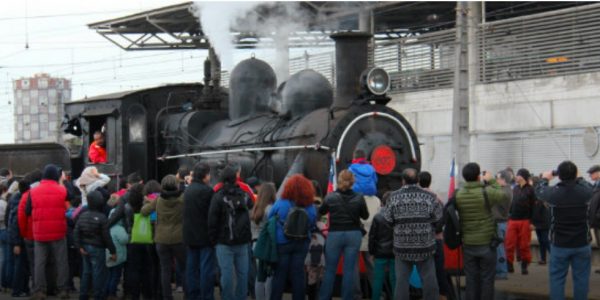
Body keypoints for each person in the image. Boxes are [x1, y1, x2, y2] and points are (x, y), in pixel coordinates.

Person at [536, 161, 593, 300]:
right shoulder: (586, 192)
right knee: (581, 279)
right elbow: (589, 186)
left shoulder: (553, 193)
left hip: (559, 244)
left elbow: (538, 190)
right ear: (575, 175)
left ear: (559, 176)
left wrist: (545, 178)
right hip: (582, 243)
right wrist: (579, 177)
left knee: (557, 279)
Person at [382, 169, 441, 300]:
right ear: (418, 180)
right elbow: (438, 219)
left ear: (403, 181)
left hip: (402, 247)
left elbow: (387, 220)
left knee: (401, 282)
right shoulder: (430, 197)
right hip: (425, 246)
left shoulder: (393, 198)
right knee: (429, 279)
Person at [454, 163, 509, 300]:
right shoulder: (486, 192)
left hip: (468, 243)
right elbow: (502, 195)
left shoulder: (458, 194)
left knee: (471, 279)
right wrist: (491, 180)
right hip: (486, 243)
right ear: (479, 176)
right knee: (487, 278)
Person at [319, 170, 369, 300]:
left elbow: (322, 211)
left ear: (339, 181)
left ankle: (324, 297)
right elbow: (365, 215)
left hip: (335, 234)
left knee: (330, 269)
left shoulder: (330, 197)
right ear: (352, 181)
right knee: (349, 270)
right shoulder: (359, 197)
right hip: (353, 234)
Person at [208, 164, 253, 300]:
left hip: (224, 243)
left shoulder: (217, 197)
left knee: (226, 275)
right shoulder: (244, 194)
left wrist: (213, 240)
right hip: (243, 241)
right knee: (242, 275)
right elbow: (251, 206)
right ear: (235, 178)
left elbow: (212, 221)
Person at [268, 175, 316, 300]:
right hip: (302, 243)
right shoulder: (310, 206)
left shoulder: (281, 203)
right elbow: (312, 224)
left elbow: (270, 217)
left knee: (279, 275)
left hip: (282, 242)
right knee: (298, 274)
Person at [26, 164, 70, 299]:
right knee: (61, 261)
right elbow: (68, 208)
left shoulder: (33, 192)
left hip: (40, 232)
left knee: (39, 262)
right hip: (58, 231)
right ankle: (63, 289)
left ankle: (39, 290)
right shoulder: (62, 190)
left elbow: (27, 211)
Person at [141, 175, 186, 300]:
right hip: (179, 239)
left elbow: (144, 212)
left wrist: (148, 202)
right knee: (184, 268)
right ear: (176, 185)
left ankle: (167, 297)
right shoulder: (183, 199)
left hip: (161, 239)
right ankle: (188, 294)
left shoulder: (159, 200)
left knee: (165, 270)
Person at [74, 190, 116, 300]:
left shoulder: (82, 215)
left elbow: (76, 232)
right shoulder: (102, 218)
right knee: (98, 273)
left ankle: (83, 295)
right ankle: (98, 296)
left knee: (86, 272)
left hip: (85, 247)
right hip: (98, 248)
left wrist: (80, 247)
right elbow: (107, 237)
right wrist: (113, 251)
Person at [184, 163, 216, 300]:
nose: (210, 176)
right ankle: (206, 296)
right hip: (204, 237)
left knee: (192, 270)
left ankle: (193, 296)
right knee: (206, 270)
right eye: (209, 174)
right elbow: (212, 215)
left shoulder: (188, 190)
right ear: (205, 175)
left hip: (190, 236)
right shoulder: (208, 191)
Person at [418, 171, 450, 299]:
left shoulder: (418, 199)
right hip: (437, 239)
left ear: (418, 181)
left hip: (423, 240)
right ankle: (443, 295)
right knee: (439, 270)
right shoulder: (438, 200)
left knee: (425, 271)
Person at [505, 168, 535, 275]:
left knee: (524, 245)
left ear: (523, 177)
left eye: (518, 175)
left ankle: (524, 265)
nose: (516, 177)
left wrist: (532, 222)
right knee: (509, 243)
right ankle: (509, 264)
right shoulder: (515, 189)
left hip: (525, 220)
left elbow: (533, 207)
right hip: (513, 220)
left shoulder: (531, 190)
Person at [251, 182, 276, 300]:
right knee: (269, 275)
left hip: (255, 244)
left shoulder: (255, 209)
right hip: (267, 246)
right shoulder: (271, 209)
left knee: (259, 276)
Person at [368, 191, 395, 300]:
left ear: (382, 202)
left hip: (380, 252)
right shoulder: (398, 216)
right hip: (395, 252)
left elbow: (372, 237)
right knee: (394, 279)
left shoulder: (377, 217)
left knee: (378, 279)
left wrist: (371, 252)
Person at [8, 176, 30, 297]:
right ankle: (18, 290)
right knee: (21, 265)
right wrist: (17, 243)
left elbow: (9, 222)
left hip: (15, 238)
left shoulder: (13, 200)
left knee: (20, 265)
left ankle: (23, 289)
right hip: (19, 239)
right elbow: (16, 224)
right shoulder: (20, 204)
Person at [106, 204, 129, 300]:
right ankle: (112, 293)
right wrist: (128, 235)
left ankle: (107, 292)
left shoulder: (107, 228)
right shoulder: (119, 228)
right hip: (118, 257)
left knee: (109, 276)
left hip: (108, 256)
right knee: (116, 276)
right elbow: (124, 240)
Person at [494, 170, 513, 280]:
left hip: (500, 223)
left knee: (499, 249)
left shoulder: (505, 192)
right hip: (500, 223)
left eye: (498, 178)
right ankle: (499, 270)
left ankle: (502, 272)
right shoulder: (504, 190)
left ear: (503, 180)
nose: (496, 180)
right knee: (499, 248)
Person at [588, 165, 600, 274]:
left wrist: (597, 216)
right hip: (596, 223)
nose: (590, 175)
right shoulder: (595, 186)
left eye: (592, 173)